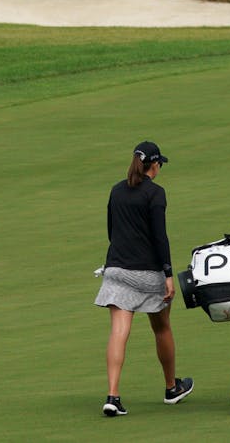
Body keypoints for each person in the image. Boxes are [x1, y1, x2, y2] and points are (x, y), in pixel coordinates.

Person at [94, 141, 194, 417]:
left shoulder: (116, 190)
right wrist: (168, 275)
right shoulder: (156, 194)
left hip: (116, 269)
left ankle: (112, 396)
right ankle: (171, 388)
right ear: (154, 164)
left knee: (118, 331)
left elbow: (112, 231)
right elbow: (160, 237)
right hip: (148, 273)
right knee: (161, 328)